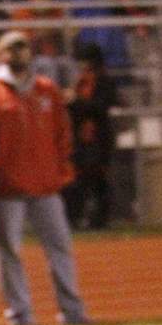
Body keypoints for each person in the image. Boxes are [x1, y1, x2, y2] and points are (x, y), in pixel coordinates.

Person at [0, 30, 88, 325]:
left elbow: (62, 134)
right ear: (0, 54)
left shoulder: (46, 89)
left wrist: (59, 168)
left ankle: (72, 312)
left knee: (60, 248)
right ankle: (20, 316)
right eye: (11, 48)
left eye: (23, 48)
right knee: (9, 253)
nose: (18, 54)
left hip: (45, 185)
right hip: (6, 188)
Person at [63, 42, 119, 230]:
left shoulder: (105, 81)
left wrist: (76, 101)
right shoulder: (80, 81)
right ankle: (76, 218)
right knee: (77, 180)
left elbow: (100, 107)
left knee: (98, 180)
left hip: (98, 138)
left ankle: (99, 221)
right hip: (81, 138)